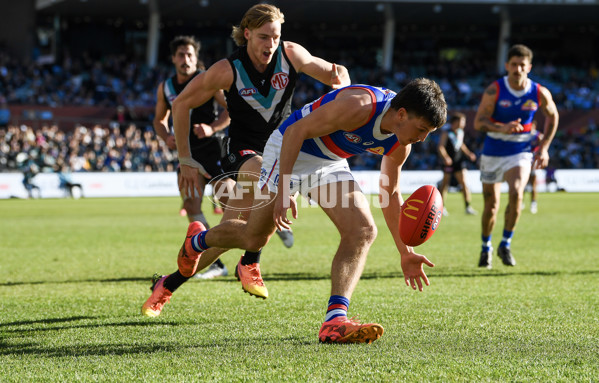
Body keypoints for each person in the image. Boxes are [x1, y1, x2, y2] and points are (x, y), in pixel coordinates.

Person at [144, 78, 448, 344]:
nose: (422, 139)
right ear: (402, 113)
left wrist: (405, 252)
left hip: (328, 162)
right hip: (290, 147)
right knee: (253, 239)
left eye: (428, 133)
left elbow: (390, 194)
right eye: (421, 129)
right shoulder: (359, 106)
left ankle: (335, 321)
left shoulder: (401, 142)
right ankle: (193, 246)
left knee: (363, 231)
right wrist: (283, 190)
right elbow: (295, 132)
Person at [142, 3, 351, 313]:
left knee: (233, 232)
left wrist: (342, 89)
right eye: (264, 37)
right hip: (243, 152)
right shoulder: (227, 69)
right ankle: (251, 261)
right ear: (248, 33)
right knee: (268, 182)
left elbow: (339, 73)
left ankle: (168, 284)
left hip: (281, 149)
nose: (271, 45)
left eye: (276, 37)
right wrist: (185, 159)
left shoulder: (292, 54)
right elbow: (183, 103)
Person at [153, 35, 233, 279]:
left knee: (231, 202)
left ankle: (250, 256)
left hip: (213, 150)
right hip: (187, 154)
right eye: (181, 55)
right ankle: (216, 264)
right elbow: (159, 120)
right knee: (191, 205)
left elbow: (230, 109)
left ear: (196, 58)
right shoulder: (166, 88)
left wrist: (212, 128)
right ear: (173, 59)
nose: (185, 59)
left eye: (189, 55)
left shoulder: (206, 81)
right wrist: (166, 136)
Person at [474, 44, 558, 268]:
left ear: (529, 67)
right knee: (491, 205)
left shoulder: (539, 92)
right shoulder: (495, 90)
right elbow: (478, 122)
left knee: (517, 193)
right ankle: (486, 247)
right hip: (493, 151)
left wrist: (545, 147)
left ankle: (506, 243)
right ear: (506, 66)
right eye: (514, 64)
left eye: (522, 65)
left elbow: (553, 116)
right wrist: (502, 128)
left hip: (520, 151)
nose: (518, 69)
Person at [437, 112, 477, 216]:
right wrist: (446, 158)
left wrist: (469, 154)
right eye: (462, 121)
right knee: (445, 185)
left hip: (459, 161)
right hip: (449, 163)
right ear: (456, 122)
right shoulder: (446, 132)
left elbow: (461, 145)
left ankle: (468, 206)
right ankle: (442, 207)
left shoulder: (460, 132)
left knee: (464, 183)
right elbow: (441, 146)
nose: (463, 123)